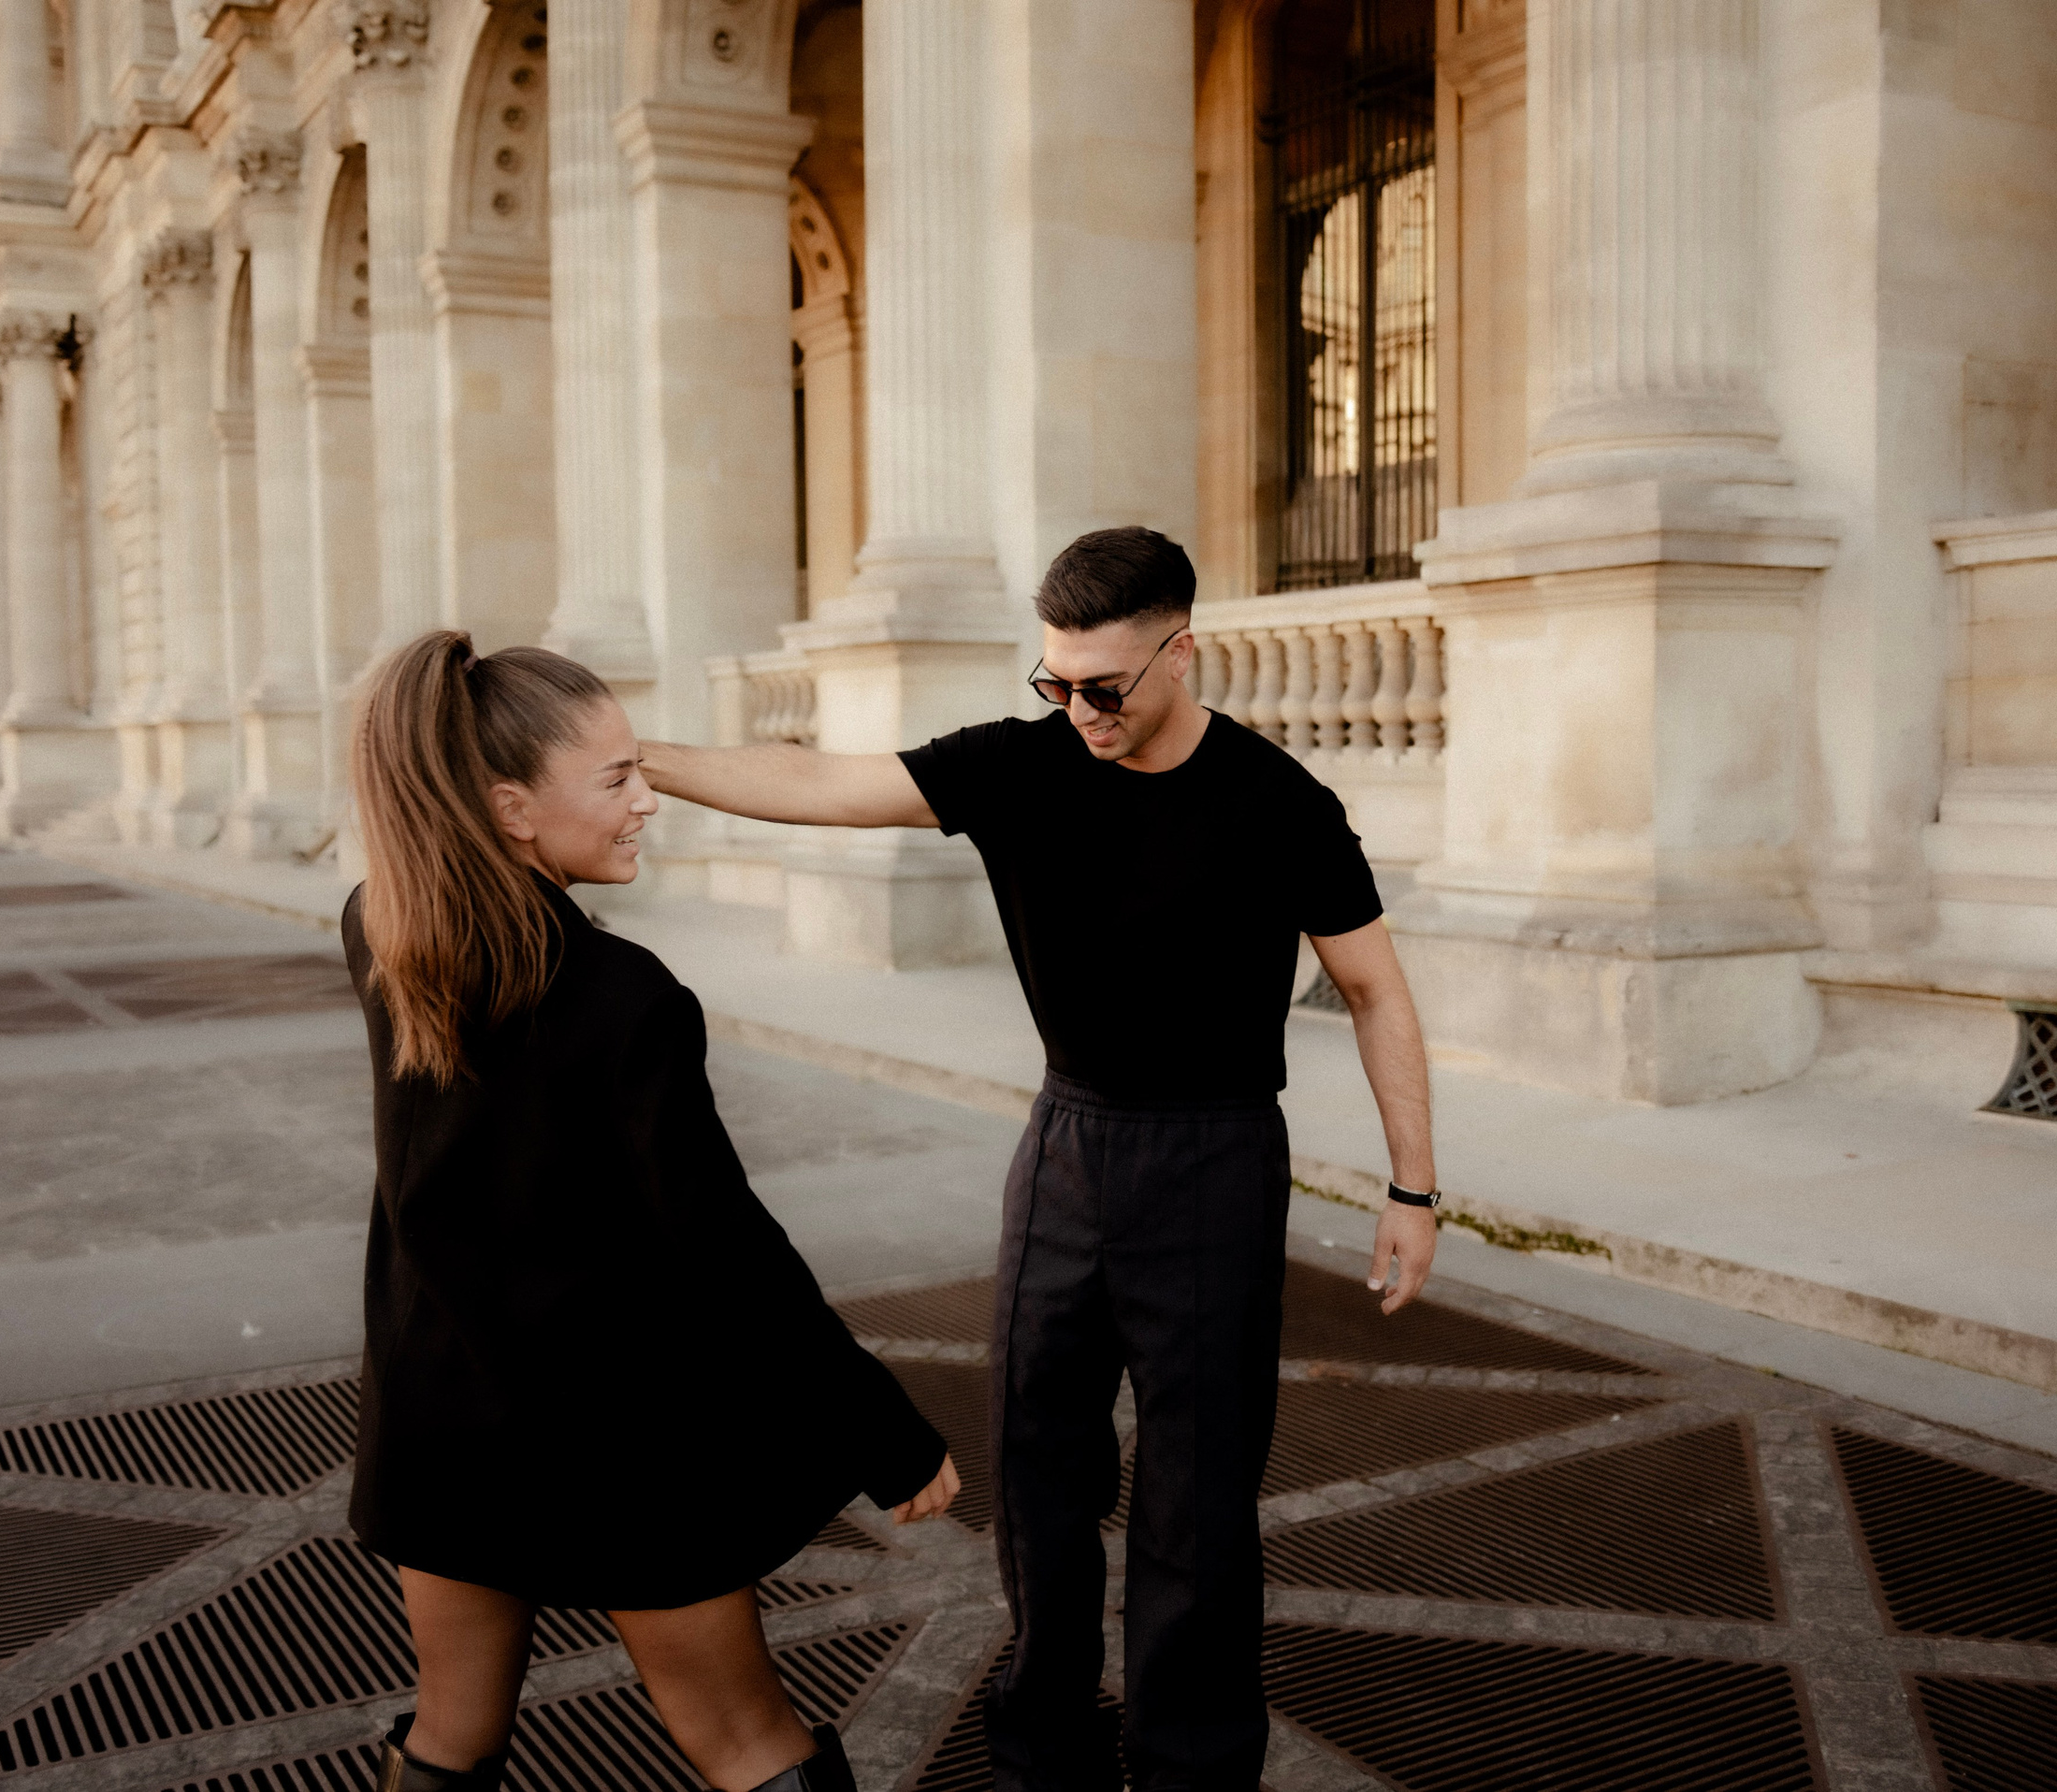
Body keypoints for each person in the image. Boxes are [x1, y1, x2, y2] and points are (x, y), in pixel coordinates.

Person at [639, 527, 1441, 1792]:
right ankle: (1044, 1756)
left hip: (1217, 1155)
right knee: (1040, 1464)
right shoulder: (1024, 767)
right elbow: (827, 783)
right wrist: (637, 760)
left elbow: (1379, 993)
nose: (1080, 712)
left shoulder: (1280, 803)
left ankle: (1189, 1765)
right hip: (1065, 1145)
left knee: (1197, 1495)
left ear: (1183, 652)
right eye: (1054, 684)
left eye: (1106, 687)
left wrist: (1412, 1189)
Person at [342, 631, 960, 1792]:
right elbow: (724, 1245)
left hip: (441, 1411)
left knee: (451, 1734)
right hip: (607, 1434)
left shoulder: (382, 928)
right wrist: (884, 1427)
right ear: (512, 806)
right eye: (619, 779)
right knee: (744, 1739)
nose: (646, 805)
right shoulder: (624, 999)